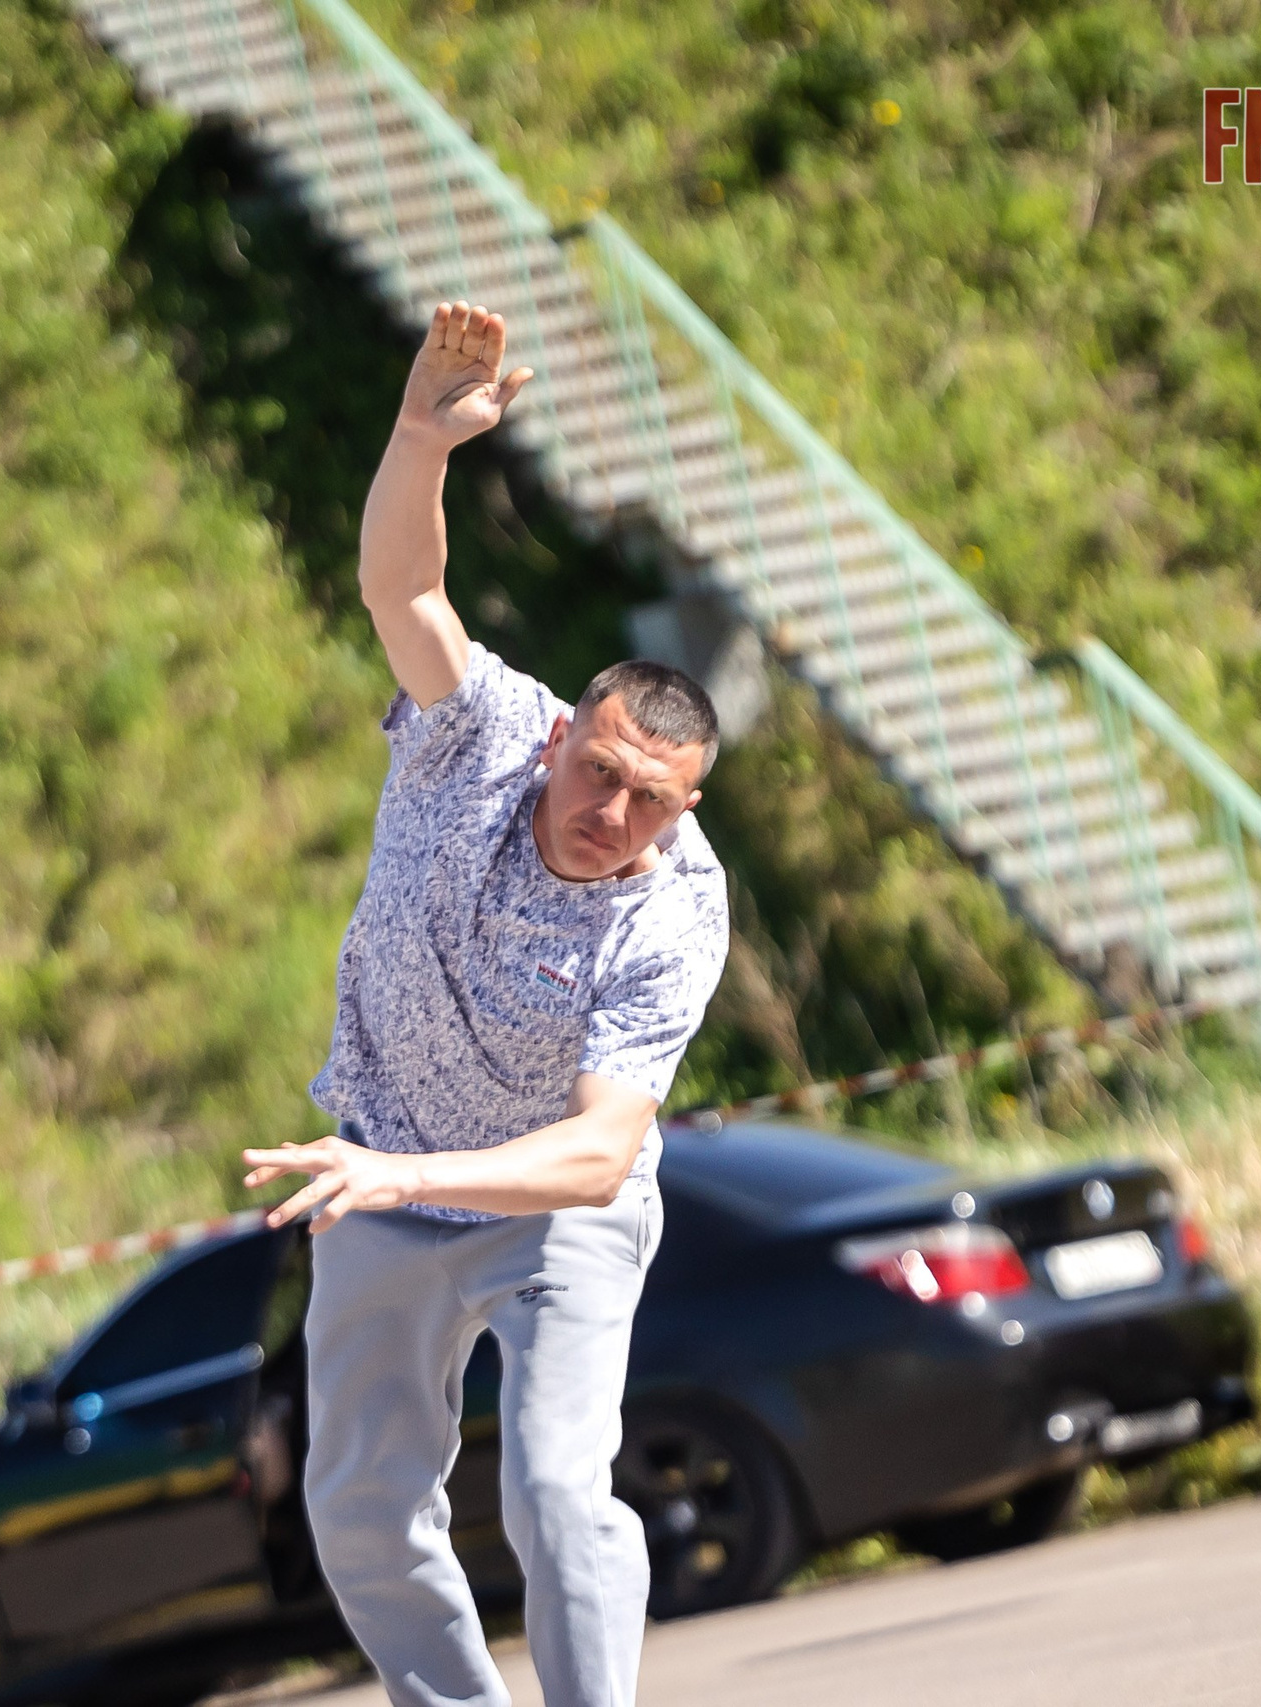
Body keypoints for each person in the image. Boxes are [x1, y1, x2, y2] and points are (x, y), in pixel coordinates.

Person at [243, 302, 731, 1707]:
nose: (613, 814)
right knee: (358, 1504)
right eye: (605, 772)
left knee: (558, 1490)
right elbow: (405, 593)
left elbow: (594, 1152)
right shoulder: (485, 731)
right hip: (390, 1182)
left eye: (654, 801)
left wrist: (402, 1170)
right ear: (568, 730)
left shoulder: (675, 907)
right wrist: (417, 442)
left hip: (552, 1213)